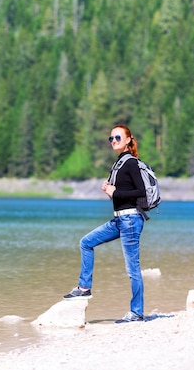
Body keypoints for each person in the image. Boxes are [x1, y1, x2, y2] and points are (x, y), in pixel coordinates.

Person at [63, 124, 147, 324]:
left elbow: (141, 191)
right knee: (86, 242)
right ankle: (84, 288)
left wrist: (115, 192)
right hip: (120, 219)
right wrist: (109, 189)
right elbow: (122, 193)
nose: (114, 141)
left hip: (131, 220)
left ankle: (137, 312)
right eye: (111, 138)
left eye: (117, 137)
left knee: (132, 269)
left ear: (128, 139)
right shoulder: (119, 163)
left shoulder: (132, 163)